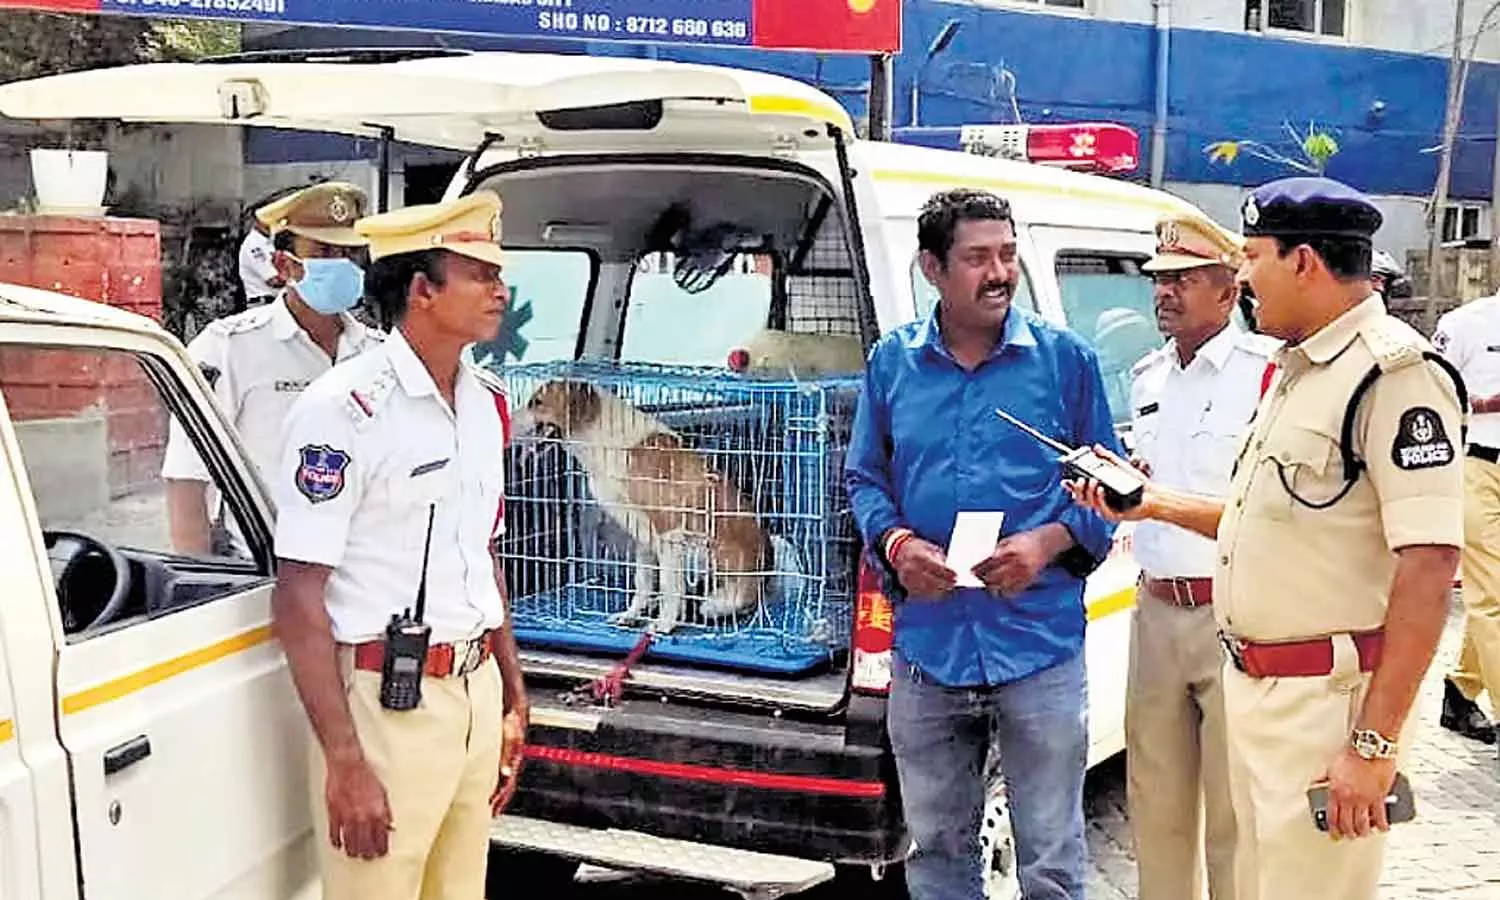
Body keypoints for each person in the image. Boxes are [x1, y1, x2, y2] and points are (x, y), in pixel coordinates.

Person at [1070, 177, 1465, 900]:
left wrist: (1373, 747)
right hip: (1261, 688)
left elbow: (1432, 564)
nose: (1244, 275)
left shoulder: (1395, 374)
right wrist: (1154, 504)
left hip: (1327, 702)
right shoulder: (1301, 368)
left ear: (1305, 262)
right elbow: (1264, 524)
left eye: (1252, 257)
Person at [844, 188, 1121, 900]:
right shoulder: (892, 364)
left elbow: (1109, 488)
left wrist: (1047, 541)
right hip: (928, 645)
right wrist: (900, 544)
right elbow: (864, 480)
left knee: (1051, 854)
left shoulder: (1066, 362)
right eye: (977, 258)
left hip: (1038, 642)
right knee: (935, 849)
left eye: (1006, 254)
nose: (999, 272)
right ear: (931, 268)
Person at [270, 189, 527, 900]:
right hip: (385, 704)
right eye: (479, 275)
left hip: (469, 694)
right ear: (421, 290)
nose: (500, 291)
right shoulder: (345, 409)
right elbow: (298, 596)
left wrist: (510, 694)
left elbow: (482, 554)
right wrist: (345, 763)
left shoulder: (487, 402)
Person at [1125, 213, 1277, 900]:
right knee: (1155, 806)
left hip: (1230, 611)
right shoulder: (1149, 377)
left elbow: (1267, 515)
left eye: (1183, 279)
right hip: (1154, 608)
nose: (1166, 292)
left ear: (1228, 288)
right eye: (1160, 280)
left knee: (1233, 809)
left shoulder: (1268, 374)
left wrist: (1156, 502)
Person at [163, 181, 383, 557]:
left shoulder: (377, 354)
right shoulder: (230, 348)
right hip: (269, 572)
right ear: (284, 264)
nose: (343, 265)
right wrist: (197, 580)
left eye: (351, 254)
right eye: (325, 252)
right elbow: (187, 477)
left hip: (365, 575)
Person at [1430, 297, 1500, 745]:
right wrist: (1483, 403)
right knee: (1492, 598)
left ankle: (1461, 689)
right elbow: (1428, 391)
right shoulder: (1466, 323)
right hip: (1480, 468)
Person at [239, 214, 284, 307]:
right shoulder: (254, 244)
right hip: (263, 303)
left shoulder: (270, 241)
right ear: (257, 221)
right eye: (266, 218)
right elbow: (273, 281)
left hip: (274, 303)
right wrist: (297, 274)